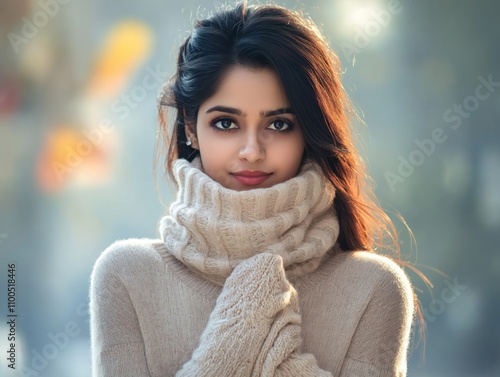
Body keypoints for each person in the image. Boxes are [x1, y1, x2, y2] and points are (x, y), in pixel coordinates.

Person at [90, 1, 423, 376]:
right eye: (226, 123)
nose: (252, 151)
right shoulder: (127, 276)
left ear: (309, 134)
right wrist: (241, 330)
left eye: (279, 124)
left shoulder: (372, 289)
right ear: (189, 127)